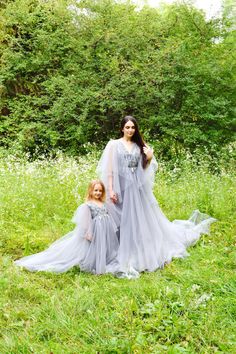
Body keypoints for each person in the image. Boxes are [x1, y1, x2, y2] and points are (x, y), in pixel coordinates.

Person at [97, 116, 216, 278]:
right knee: (120, 220)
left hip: (137, 189)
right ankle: (118, 248)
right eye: (127, 127)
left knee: (140, 219)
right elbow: (110, 170)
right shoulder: (114, 145)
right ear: (122, 128)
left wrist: (149, 158)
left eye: (133, 127)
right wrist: (110, 189)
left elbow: (143, 169)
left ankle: (140, 249)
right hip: (120, 188)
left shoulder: (140, 146)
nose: (130, 130)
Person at [14, 180, 119, 274]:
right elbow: (86, 221)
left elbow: (108, 216)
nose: (98, 193)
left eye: (100, 191)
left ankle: (102, 260)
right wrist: (88, 232)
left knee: (101, 245)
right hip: (95, 229)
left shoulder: (103, 203)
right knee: (90, 247)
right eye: (96, 190)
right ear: (90, 191)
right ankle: (93, 263)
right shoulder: (87, 205)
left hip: (104, 229)